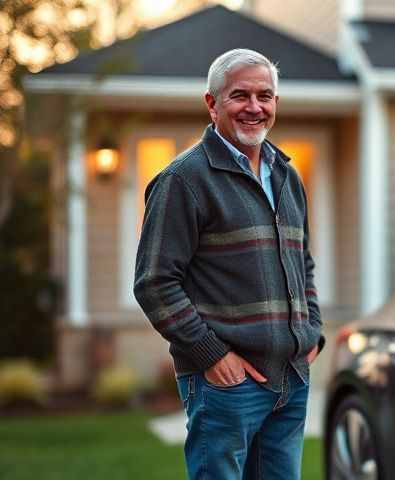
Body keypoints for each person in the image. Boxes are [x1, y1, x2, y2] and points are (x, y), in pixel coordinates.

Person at [134, 48, 324, 480]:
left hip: (291, 378)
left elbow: (302, 262)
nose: (255, 108)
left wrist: (311, 331)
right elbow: (154, 282)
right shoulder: (183, 180)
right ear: (212, 103)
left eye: (266, 96)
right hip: (226, 385)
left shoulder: (286, 174)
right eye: (240, 95)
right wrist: (212, 355)